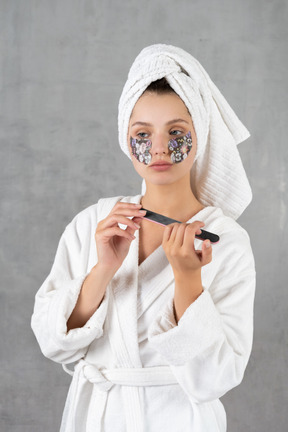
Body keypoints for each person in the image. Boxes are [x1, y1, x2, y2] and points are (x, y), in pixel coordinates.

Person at [31, 44, 256, 432]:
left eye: (176, 132)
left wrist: (188, 281)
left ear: (199, 136)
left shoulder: (226, 242)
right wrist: (103, 270)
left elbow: (216, 379)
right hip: (98, 419)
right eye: (142, 133)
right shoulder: (93, 225)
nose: (158, 148)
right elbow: (52, 342)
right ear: (125, 138)